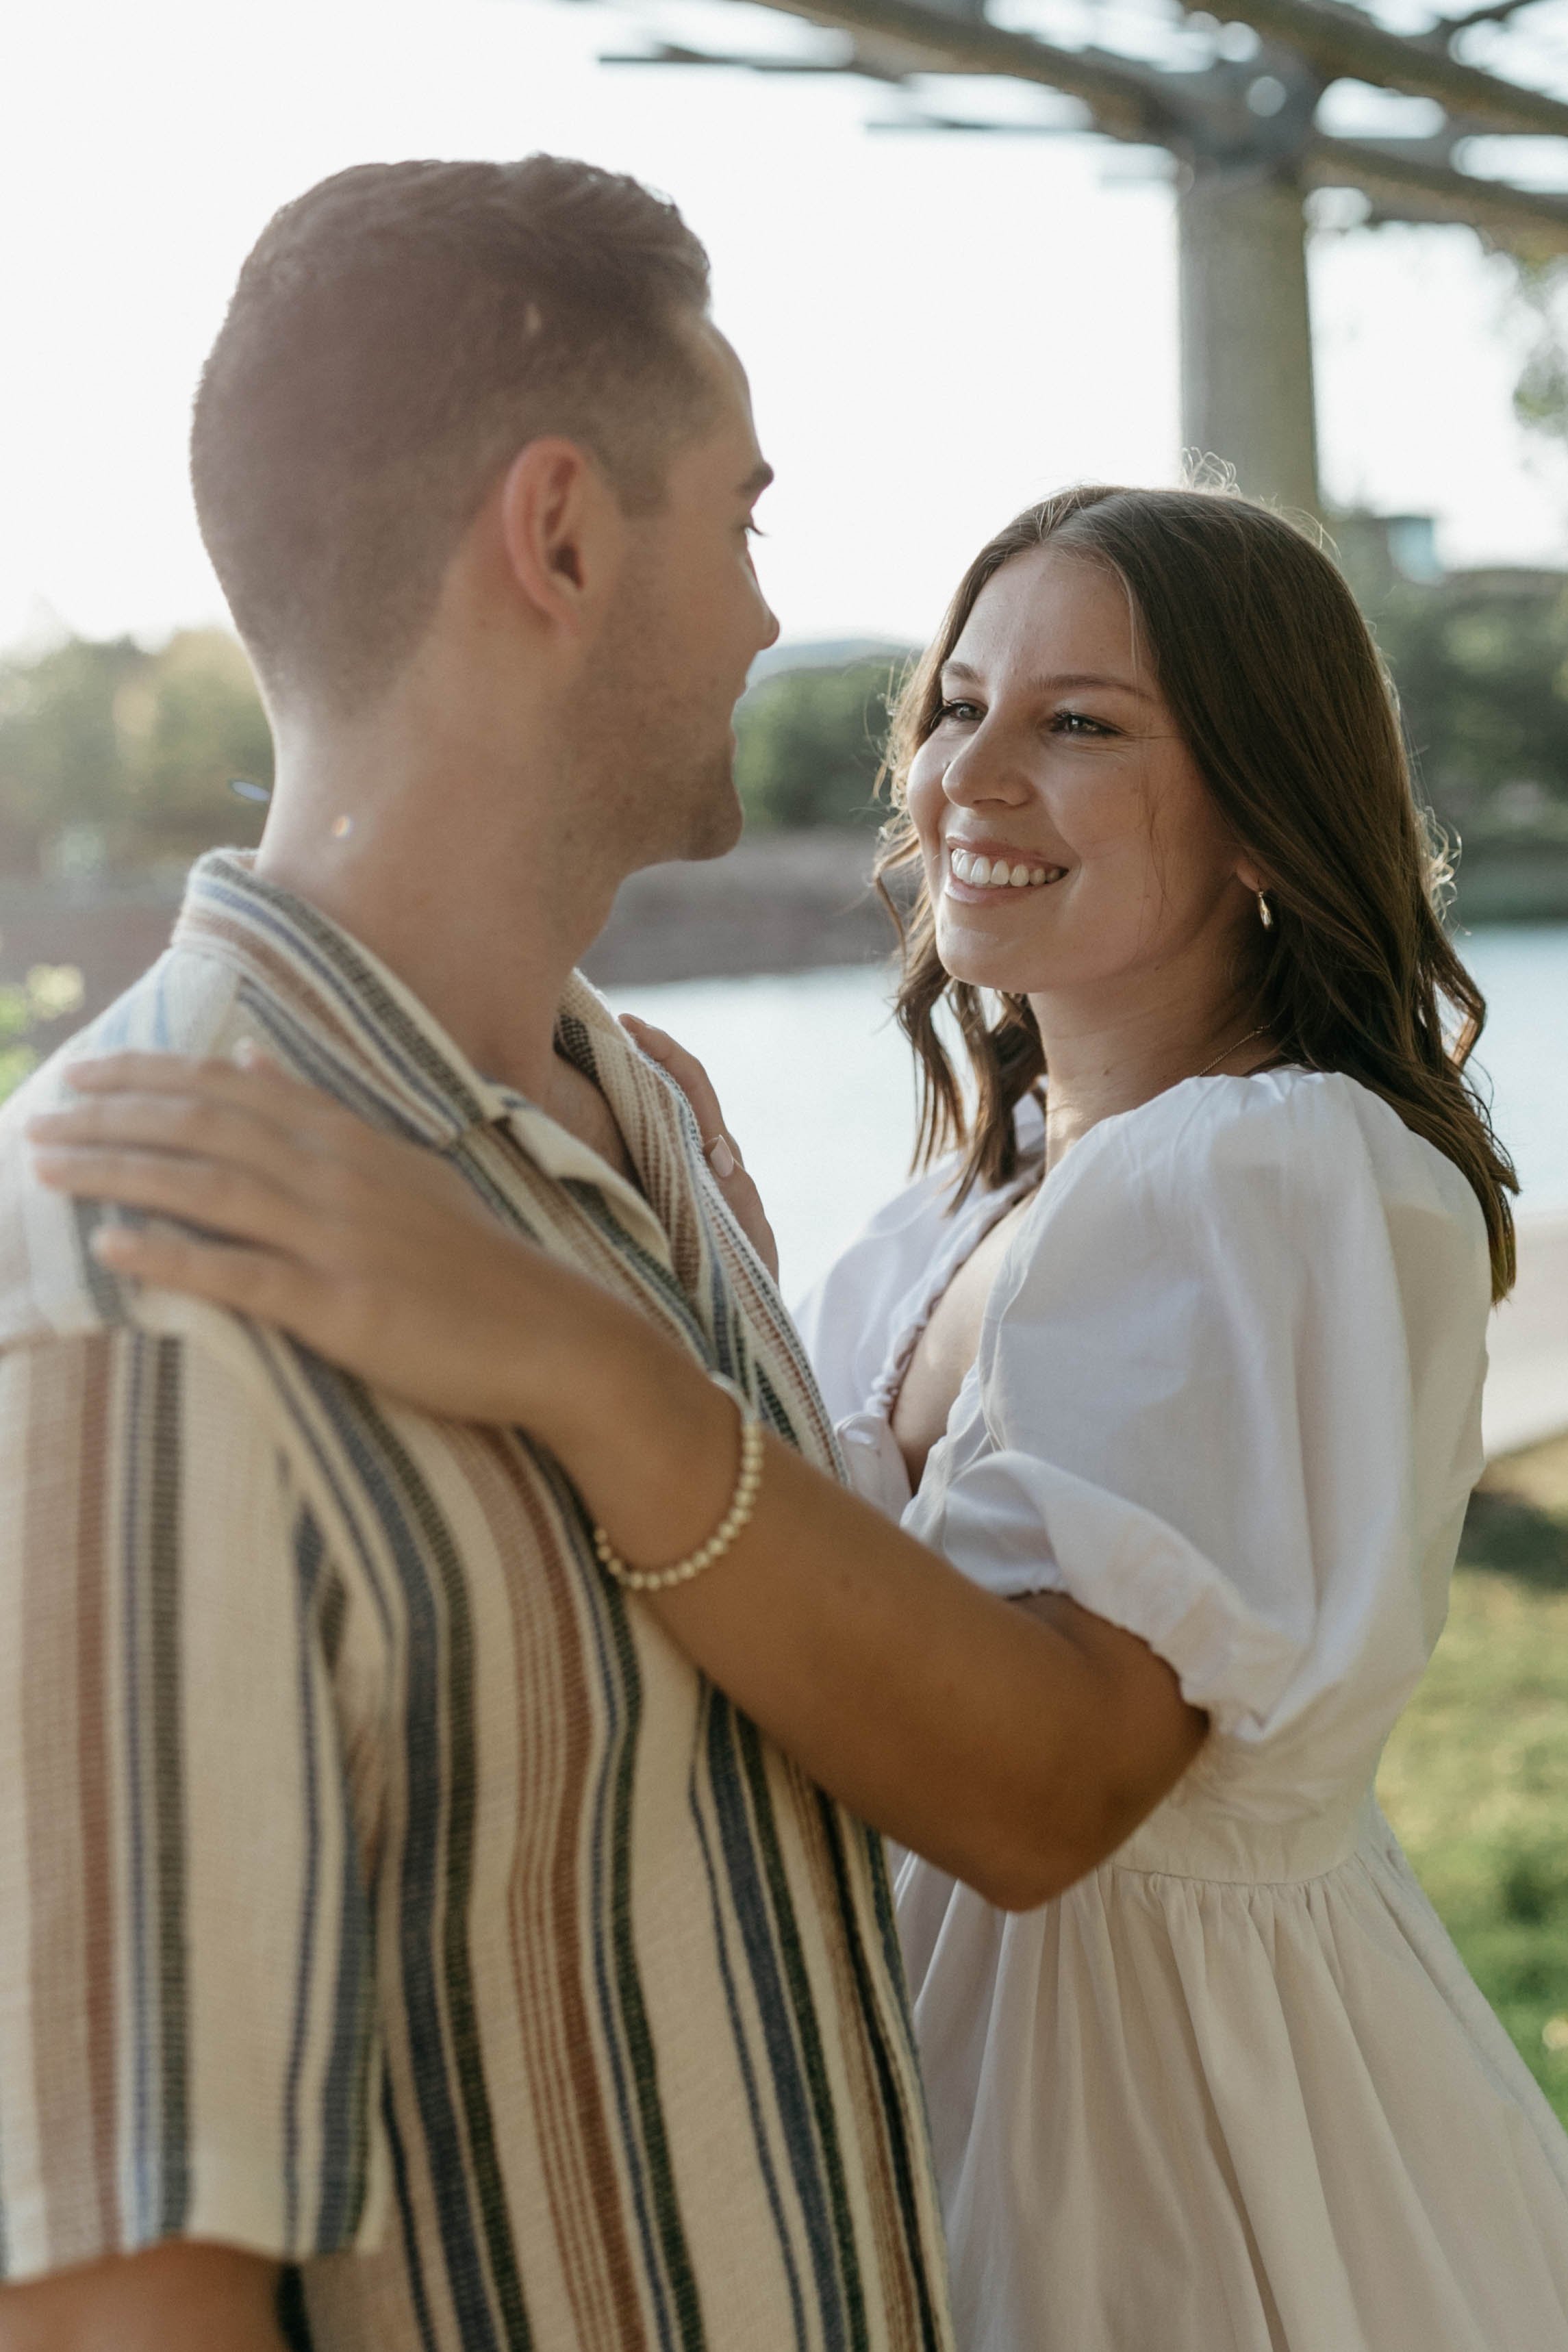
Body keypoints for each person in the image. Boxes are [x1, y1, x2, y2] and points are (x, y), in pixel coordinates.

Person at [38, 480, 1568, 2351]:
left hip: (1170, 2149)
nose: (967, 776)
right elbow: (843, 1621)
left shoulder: (1279, 1171)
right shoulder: (947, 1216)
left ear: (1261, 805)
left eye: (1075, 722)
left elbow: (1048, 1785)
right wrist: (690, 1273)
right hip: (929, 2095)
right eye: (953, 704)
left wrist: (569, 1352)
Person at [0, 155, 972, 2352]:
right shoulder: (129, 1281)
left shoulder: (636, 1135)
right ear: (556, 534)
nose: (759, 616)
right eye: (739, 517)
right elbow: (114, 2309)